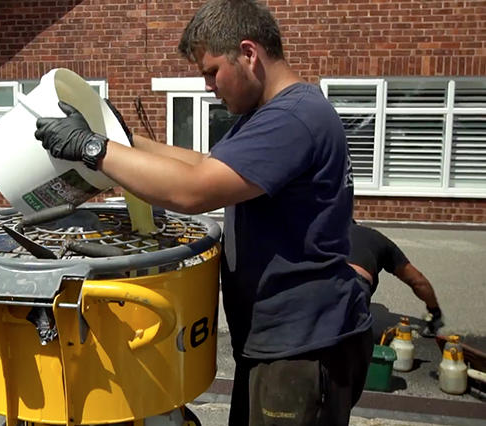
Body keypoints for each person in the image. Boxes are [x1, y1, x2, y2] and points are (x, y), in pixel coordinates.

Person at [34, 0, 373, 424]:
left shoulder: (291, 119)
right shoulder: (275, 113)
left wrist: (92, 149)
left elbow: (192, 190)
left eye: (212, 71)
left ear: (248, 53)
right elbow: (206, 166)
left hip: (301, 347)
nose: (209, 85)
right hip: (283, 339)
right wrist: (125, 140)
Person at [348, 222, 444, 337]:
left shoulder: (328, 232)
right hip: (356, 288)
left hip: (330, 284)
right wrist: (435, 312)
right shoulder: (376, 238)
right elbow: (418, 281)